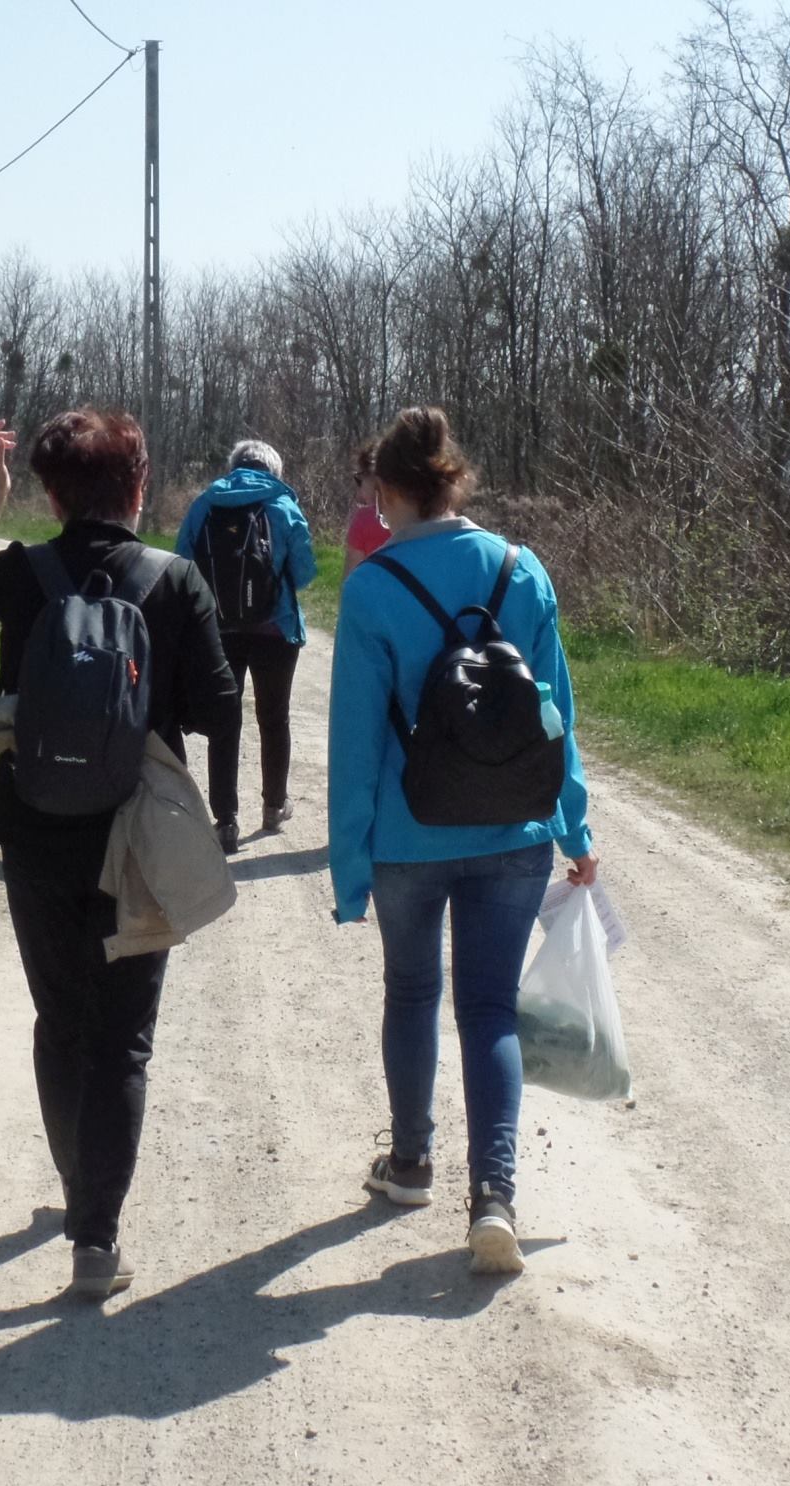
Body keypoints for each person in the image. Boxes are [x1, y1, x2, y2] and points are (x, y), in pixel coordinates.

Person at [0, 411, 238, 1299]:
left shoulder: (24, 573)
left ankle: (77, 1185)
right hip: (133, 837)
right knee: (123, 1041)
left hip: (33, 827)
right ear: (139, 486)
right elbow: (219, 708)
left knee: (61, 1023)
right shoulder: (174, 580)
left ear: (52, 493)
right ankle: (95, 1238)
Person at [327, 406, 598, 1276]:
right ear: (453, 480)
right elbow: (555, 715)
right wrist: (574, 827)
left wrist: (349, 865)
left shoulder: (372, 588)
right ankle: (494, 1197)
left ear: (386, 489)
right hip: (513, 829)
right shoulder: (523, 570)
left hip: (407, 835)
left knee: (411, 993)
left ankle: (410, 1163)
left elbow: (354, 742)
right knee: (488, 1008)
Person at [174, 439, 318, 853]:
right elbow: (305, 571)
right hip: (276, 629)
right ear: (274, 470)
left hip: (218, 628)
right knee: (274, 717)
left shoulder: (205, 503)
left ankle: (225, 821)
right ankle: (274, 807)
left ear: (234, 466)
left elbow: (182, 562)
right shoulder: (283, 504)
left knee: (225, 719)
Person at [341, 442, 392, 580]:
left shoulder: (364, 519)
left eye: (359, 480)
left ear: (373, 477)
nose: (359, 491)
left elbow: (350, 577)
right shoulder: (418, 516)